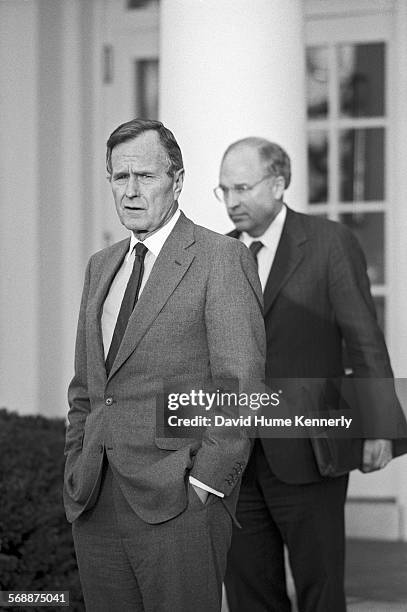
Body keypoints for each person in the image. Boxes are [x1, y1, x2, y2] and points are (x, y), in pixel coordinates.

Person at [63, 120, 265, 612]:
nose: (130, 192)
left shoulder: (221, 259)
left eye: (145, 177)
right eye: (119, 177)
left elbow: (239, 389)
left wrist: (204, 486)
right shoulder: (101, 265)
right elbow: (86, 389)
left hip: (179, 502)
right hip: (95, 499)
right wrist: (75, 464)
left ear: (176, 182)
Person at [217, 137, 407, 612]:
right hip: (234, 457)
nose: (232, 201)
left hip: (310, 450)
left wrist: (379, 427)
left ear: (279, 183)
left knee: (320, 588)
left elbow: (364, 339)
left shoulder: (328, 243)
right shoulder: (217, 254)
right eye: (223, 190)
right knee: (247, 591)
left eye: (242, 187)